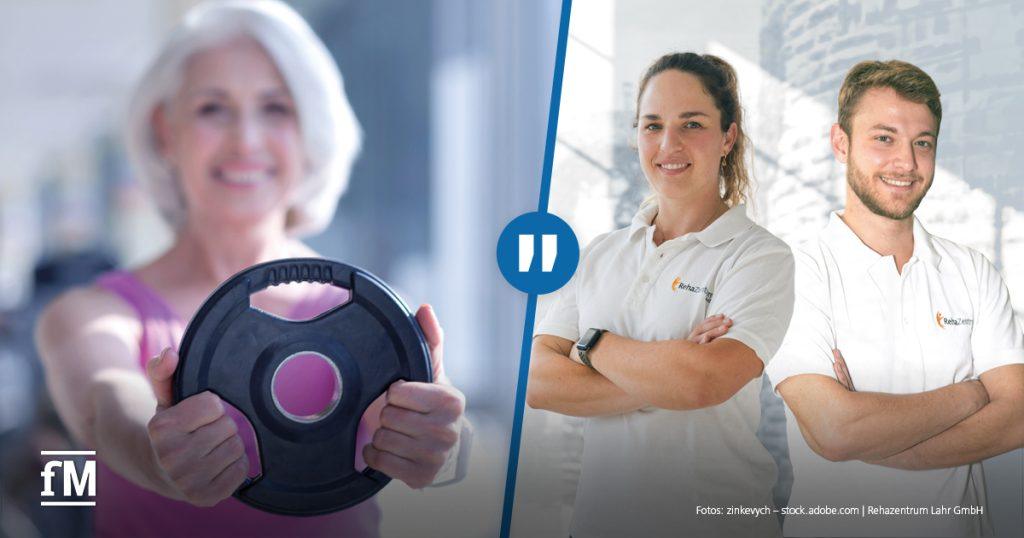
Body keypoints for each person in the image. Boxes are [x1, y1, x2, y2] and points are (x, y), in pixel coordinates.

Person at [34, 2, 467, 536]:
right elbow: (105, 403)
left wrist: (438, 441)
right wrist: (158, 451)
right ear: (166, 133)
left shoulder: (377, 313)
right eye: (213, 108)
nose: (247, 140)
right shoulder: (88, 315)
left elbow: (448, 449)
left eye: (277, 108)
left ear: (310, 132)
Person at [527, 52, 795, 538]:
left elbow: (703, 383)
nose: (668, 144)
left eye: (691, 124)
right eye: (652, 126)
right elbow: (538, 380)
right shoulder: (601, 254)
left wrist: (591, 346)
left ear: (728, 136)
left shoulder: (759, 257)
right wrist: (663, 375)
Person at [766, 60, 1024, 537]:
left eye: (922, 143)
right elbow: (835, 430)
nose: (906, 163)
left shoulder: (971, 271)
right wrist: (971, 393)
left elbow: (1016, 416)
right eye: (883, 138)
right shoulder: (793, 274)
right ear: (840, 143)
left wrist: (873, 436)